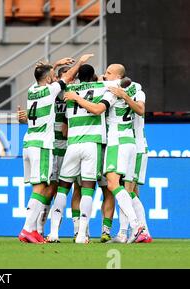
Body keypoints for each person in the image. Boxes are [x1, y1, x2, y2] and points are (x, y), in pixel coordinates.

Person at [61, 64, 147, 243]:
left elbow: (97, 109)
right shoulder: (135, 87)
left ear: (116, 76)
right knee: (126, 188)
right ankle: (127, 232)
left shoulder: (110, 90)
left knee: (113, 183)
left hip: (117, 141)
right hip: (130, 141)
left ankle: (136, 225)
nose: (104, 75)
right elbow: (136, 102)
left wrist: (76, 96)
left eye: (108, 72)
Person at [17, 54, 94, 244]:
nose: (54, 77)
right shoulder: (51, 91)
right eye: (52, 75)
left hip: (28, 141)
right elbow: (66, 78)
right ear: (49, 78)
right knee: (41, 186)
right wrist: (80, 63)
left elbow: (46, 75)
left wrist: (57, 64)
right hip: (42, 144)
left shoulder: (32, 89)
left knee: (42, 187)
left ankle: (33, 230)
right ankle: (28, 229)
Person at [107, 77, 152, 243]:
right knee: (131, 193)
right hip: (130, 145)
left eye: (109, 74)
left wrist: (124, 95)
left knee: (128, 191)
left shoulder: (137, 93)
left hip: (136, 145)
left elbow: (140, 109)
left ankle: (132, 231)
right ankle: (137, 232)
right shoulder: (131, 91)